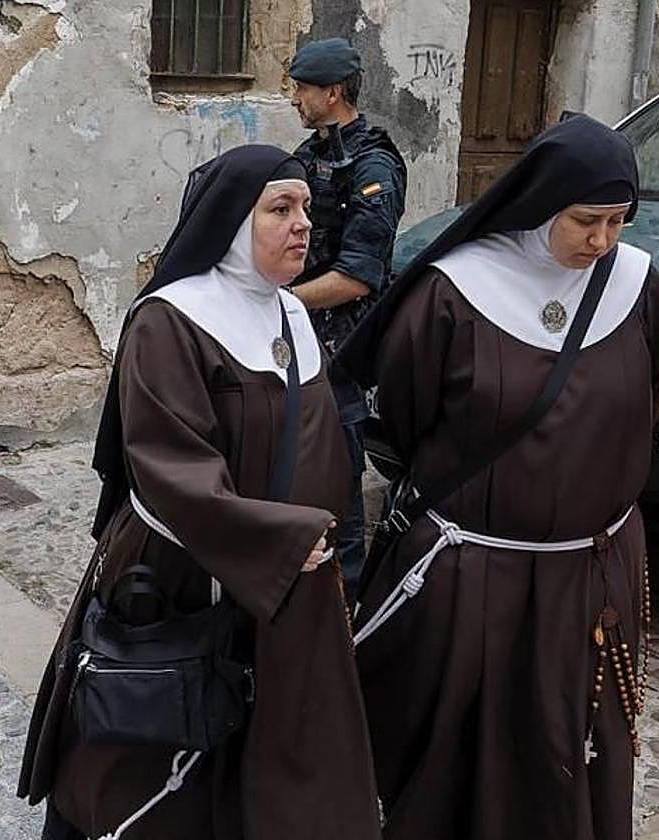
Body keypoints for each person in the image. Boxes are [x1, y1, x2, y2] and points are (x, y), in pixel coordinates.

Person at [19, 145, 382, 840]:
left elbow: (323, 450)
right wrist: (278, 541)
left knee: (270, 767)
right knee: (160, 768)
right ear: (230, 223)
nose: (302, 223)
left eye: (306, 207)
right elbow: (169, 466)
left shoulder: (290, 315)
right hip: (186, 575)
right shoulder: (170, 320)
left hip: (288, 581)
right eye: (281, 208)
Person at [338, 115, 659, 840]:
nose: (603, 241)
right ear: (543, 203)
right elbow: (405, 413)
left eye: (620, 221)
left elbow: (645, 397)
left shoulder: (636, 284)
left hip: (592, 576)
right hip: (477, 573)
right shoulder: (456, 290)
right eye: (587, 221)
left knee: (576, 744)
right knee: (465, 749)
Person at [287, 37, 406, 601]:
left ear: (332, 92)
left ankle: (347, 614)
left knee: (338, 494)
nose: (293, 99)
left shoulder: (374, 163)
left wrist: (283, 302)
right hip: (295, 344)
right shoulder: (307, 156)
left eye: (301, 89)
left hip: (341, 354)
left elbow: (358, 276)